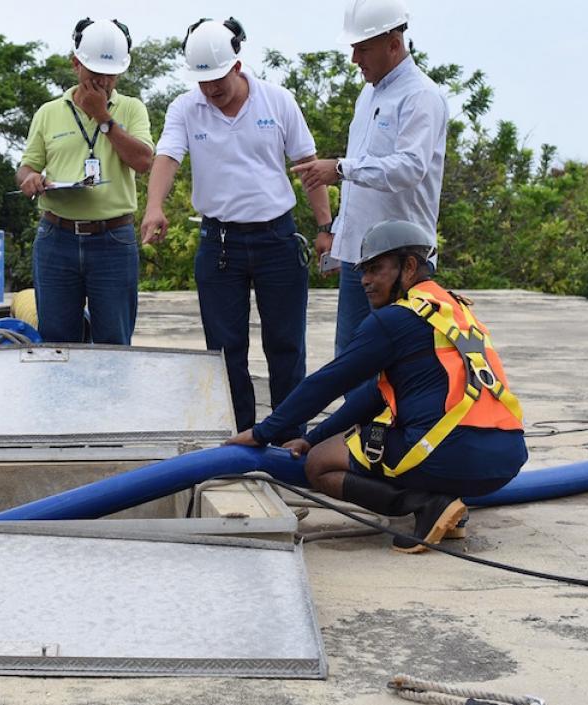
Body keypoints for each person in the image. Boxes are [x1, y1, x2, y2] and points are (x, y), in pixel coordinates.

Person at [227, 220, 526, 553]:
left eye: (375, 269)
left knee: (320, 464)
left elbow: (329, 381)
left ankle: (427, 505)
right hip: (507, 456)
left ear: (409, 266)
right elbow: (373, 395)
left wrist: (263, 432)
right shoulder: (454, 309)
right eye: (363, 271)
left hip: (450, 451)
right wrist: (310, 438)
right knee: (367, 433)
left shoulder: (394, 320)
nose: (365, 281)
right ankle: (446, 507)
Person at [142, 18, 332, 439]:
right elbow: (168, 157)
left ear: (238, 65)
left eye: (218, 79)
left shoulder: (278, 101)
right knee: (225, 351)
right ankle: (240, 438)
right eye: (203, 81)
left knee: (286, 347)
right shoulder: (184, 108)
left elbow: (307, 168)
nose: (211, 89)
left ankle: (290, 438)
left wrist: (326, 226)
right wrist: (154, 207)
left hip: (277, 241)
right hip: (220, 243)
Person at [291, 0, 449, 357]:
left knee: (399, 365)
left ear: (394, 44)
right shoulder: (368, 94)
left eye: (362, 49)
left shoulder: (421, 96)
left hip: (401, 260)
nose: (354, 60)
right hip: (358, 255)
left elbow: (410, 167)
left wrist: (341, 168)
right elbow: (360, 185)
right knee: (351, 360)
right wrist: (335, 235)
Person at [17, 18, 154, 345]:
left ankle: (113, 398)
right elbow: (26, 167)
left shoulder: (132, 109)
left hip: (113, 239)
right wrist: (31, 178)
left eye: (110, 75)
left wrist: (103, 117)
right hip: (56, 238)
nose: (103, 82)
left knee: (114, 342)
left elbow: (143, 161)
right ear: (76, 64)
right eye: (95, 74)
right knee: (58, 343)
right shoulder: (49, 112)